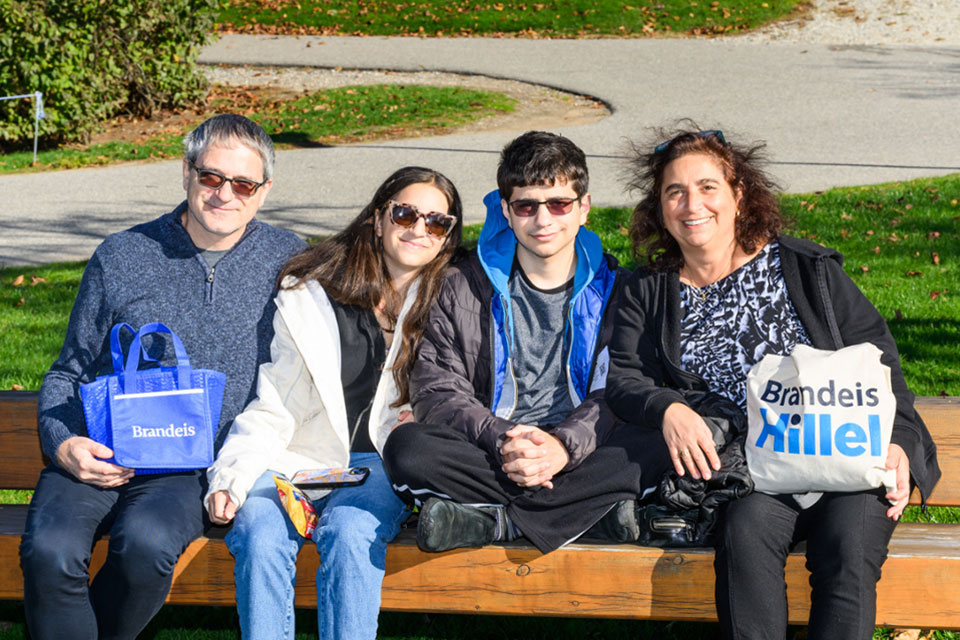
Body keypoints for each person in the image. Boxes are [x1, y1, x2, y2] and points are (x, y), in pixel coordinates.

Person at [605, 126, 941, 639]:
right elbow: (624, 377)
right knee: (744, 536)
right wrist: (667, 408)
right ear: (660, 206)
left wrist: (898, 444)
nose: (692, 203)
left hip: (847, 452)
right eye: (675, 191)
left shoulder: (806, 270)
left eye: (707, 187)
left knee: (847, 549)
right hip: (756, 472)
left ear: (738, 194)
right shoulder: (649, 289)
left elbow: (881, 364)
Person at [19, 114, 305, 640]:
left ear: (263, 191)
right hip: (100, 447)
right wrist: (63, 445)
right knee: (50, 551)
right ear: (187, 172)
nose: (224, 194)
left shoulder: (290, 261)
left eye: (242, 183)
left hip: (191, 463)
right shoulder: (123, 255)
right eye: (211, 177)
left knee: (145, 545)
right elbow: (69, 369)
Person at [204, 166, 462, 640]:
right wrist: (232, 478)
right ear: (378, 219)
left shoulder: (454, 302)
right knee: (257, 532)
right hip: (296, 458)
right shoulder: (314, 296)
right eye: (405, 214)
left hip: (384, 463)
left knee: (349, 534)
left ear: (447, 238)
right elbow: (275, 401)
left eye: (437, 222)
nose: (419, 229)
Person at [384, 130, 670, 554]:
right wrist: (504, 440)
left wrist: (562, 447)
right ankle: (588, 513)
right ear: (506, 209)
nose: (543, 220)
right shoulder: (460, 285)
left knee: (662, 436)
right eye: (526, 206)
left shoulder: (620, 291)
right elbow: (438, 391)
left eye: (559, 204)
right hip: (495, 452)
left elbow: (619, 391)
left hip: (585, 450)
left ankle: (495, 521)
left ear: (584, 208)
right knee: (408, 447)